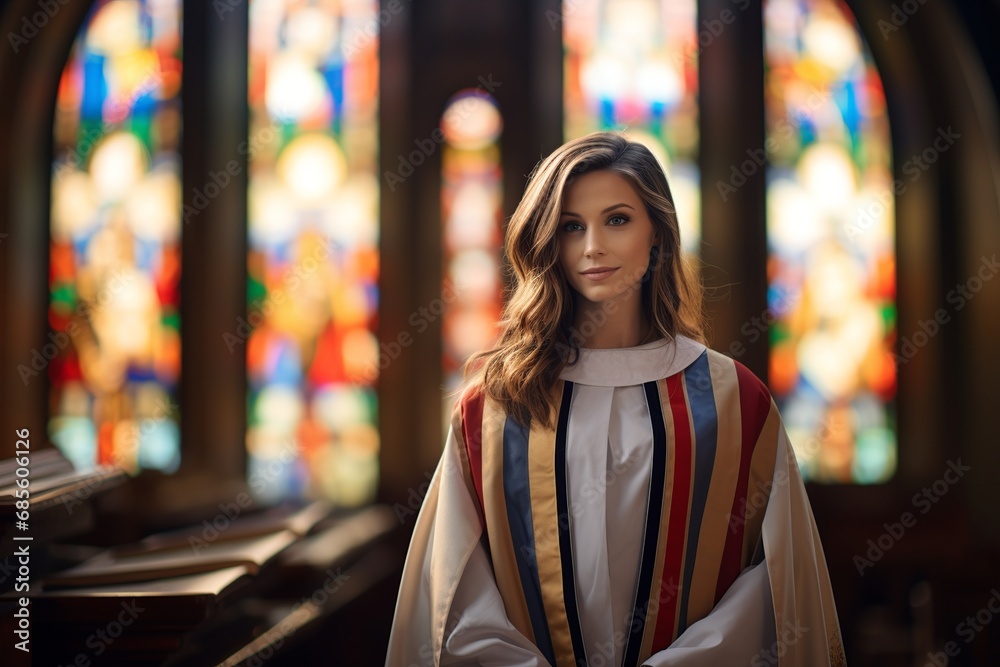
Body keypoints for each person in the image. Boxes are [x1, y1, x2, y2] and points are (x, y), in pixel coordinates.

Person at [384, 132, 846, 666]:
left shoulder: (733, 401)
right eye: (571, 227)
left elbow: (777, 584)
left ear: (658, 233)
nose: (592, 247)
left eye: (618, 219)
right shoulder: (494, 407)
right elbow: (453, 592)